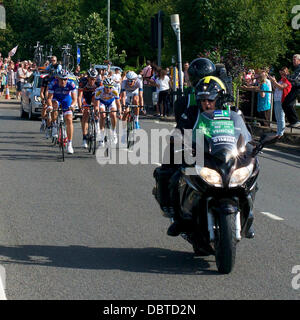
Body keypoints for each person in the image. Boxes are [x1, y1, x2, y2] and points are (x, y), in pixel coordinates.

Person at [154, 57, 255, 238]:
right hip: (201, 154)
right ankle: (179, 219)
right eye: (203, 99)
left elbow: (244, 134)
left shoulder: (232, 112)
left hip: (224, 155)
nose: (206, 103)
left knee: (251, 173)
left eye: (210, 99)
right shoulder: (191, 110)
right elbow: (180, 131)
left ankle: (248, 217)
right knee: (177, 176)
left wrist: (249, 146)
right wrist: (178, 141)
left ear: (219, 97)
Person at [47, 70, 77, 154]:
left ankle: (70, 144)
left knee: (69, 119)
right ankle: (55, 125)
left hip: (66, 99)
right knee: (54, 106)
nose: (63, 81)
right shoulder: (53, 83)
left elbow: (74, 99)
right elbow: (49, 98)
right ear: (57, 78)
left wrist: (73, 106)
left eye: (65, 79)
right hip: (56, 98)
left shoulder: (71, 84)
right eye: (61, 79)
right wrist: (49, 106)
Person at [78, 68, 101, 148]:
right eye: (91, 79)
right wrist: (80, 106)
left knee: (96, 106)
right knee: (85, 114)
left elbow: (100, 96)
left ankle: (97, 122)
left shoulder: (98, 82)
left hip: (94, 95)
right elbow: (80, 96)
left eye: (94, 79)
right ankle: (84, 138)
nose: (92, 81)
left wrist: (97, 106)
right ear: (88, 77)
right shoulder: (83, 81)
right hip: (85, 96)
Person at [94, 77, 121, 146]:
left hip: (111, 102)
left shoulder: (115, 91)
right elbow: (96, 104)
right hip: (102, 102)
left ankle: (114, 132)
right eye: (106, 87)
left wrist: (119, 112)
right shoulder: (99, 90)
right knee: (102, 115)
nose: (108, 89)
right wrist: (96, 112)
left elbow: (118, 103)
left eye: (110, 87)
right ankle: (101, 135)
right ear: (104, 86)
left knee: (113, 114)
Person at [269, 67, 292, 138]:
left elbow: (281, 87)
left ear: (287, 72)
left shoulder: (288, 80)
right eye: (282, 71)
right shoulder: (281, 79)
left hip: (283, 101)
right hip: (277, 100)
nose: (282, 73)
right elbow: (275, 88)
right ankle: (278, 132)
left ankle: (281, 133)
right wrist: (273, 81)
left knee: (281, 117)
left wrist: (274, 82)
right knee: (278, 117)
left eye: (284, 72)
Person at [120, 71, 144, 135]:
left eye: (131, 81)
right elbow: (123, 96)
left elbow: (141, 96)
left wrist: (141, 107)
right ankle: (124, 129)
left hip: (135, 91)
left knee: (136, 101)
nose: (129, 82)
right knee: (125, 112)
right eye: (128, 80)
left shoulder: (139, 82)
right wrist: (123, 107)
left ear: (135, 80)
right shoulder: (124, 82)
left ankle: (136, 121)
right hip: (127, 93)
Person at [282, 54, 300, 128]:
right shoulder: (296, 68)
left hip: (297, 88)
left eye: (294, 59)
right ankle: (293, 121)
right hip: (294, 88)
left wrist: (287, 76)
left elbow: (294, 79)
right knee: (285, 104)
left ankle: (296, 121)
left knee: (287, 104)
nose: (293, 61)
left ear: (299, 60)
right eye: (293, 59)